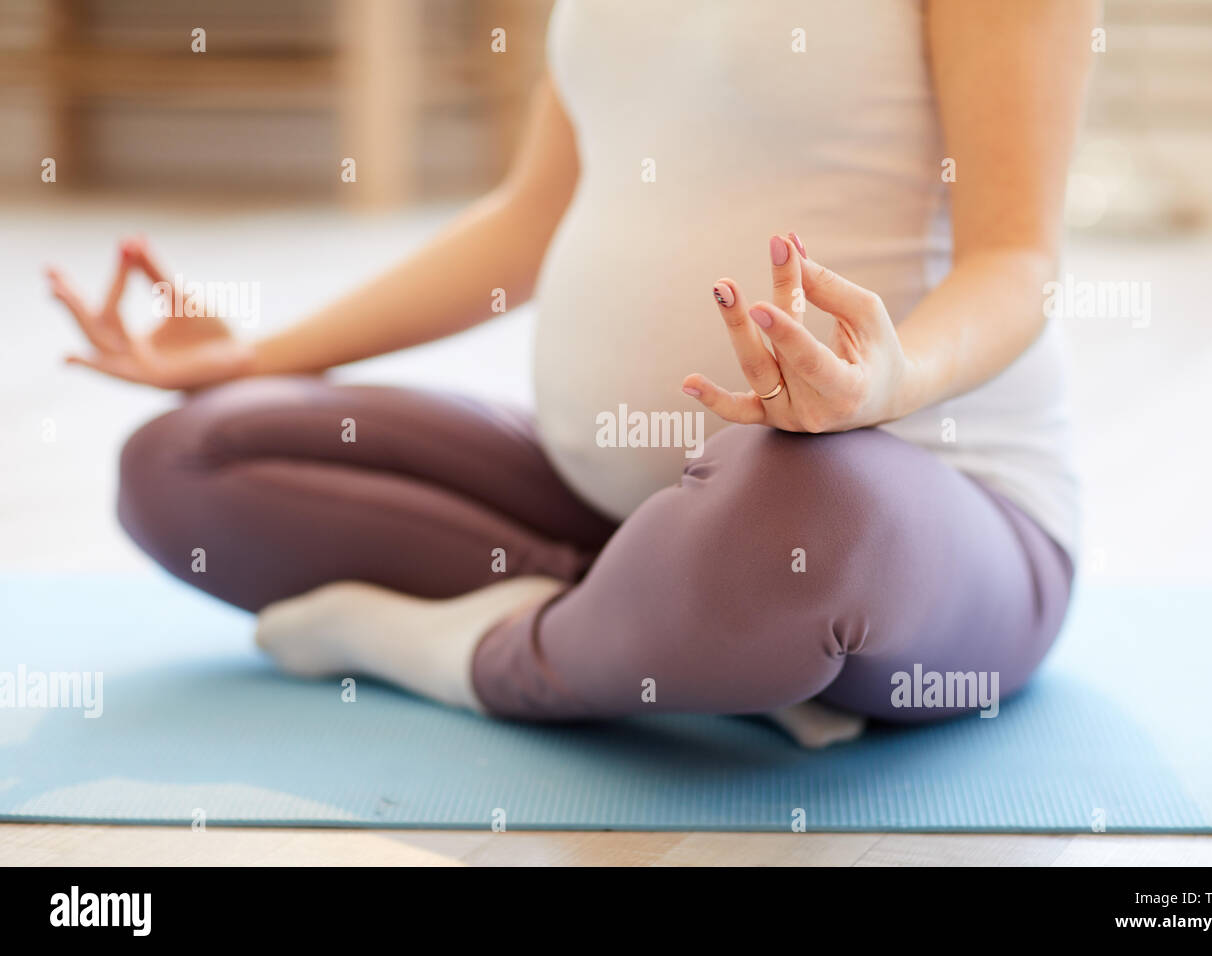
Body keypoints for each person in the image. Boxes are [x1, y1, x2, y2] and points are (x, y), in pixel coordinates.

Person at [48, 1, 1093, 745]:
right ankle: (680, 628)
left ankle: (491, 658)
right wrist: (258, 355)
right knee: (190, 457)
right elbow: (525, 221)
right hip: (621, 504)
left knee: (800, 517)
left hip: (917, 507)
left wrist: (885, 382)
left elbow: (1017, 260)